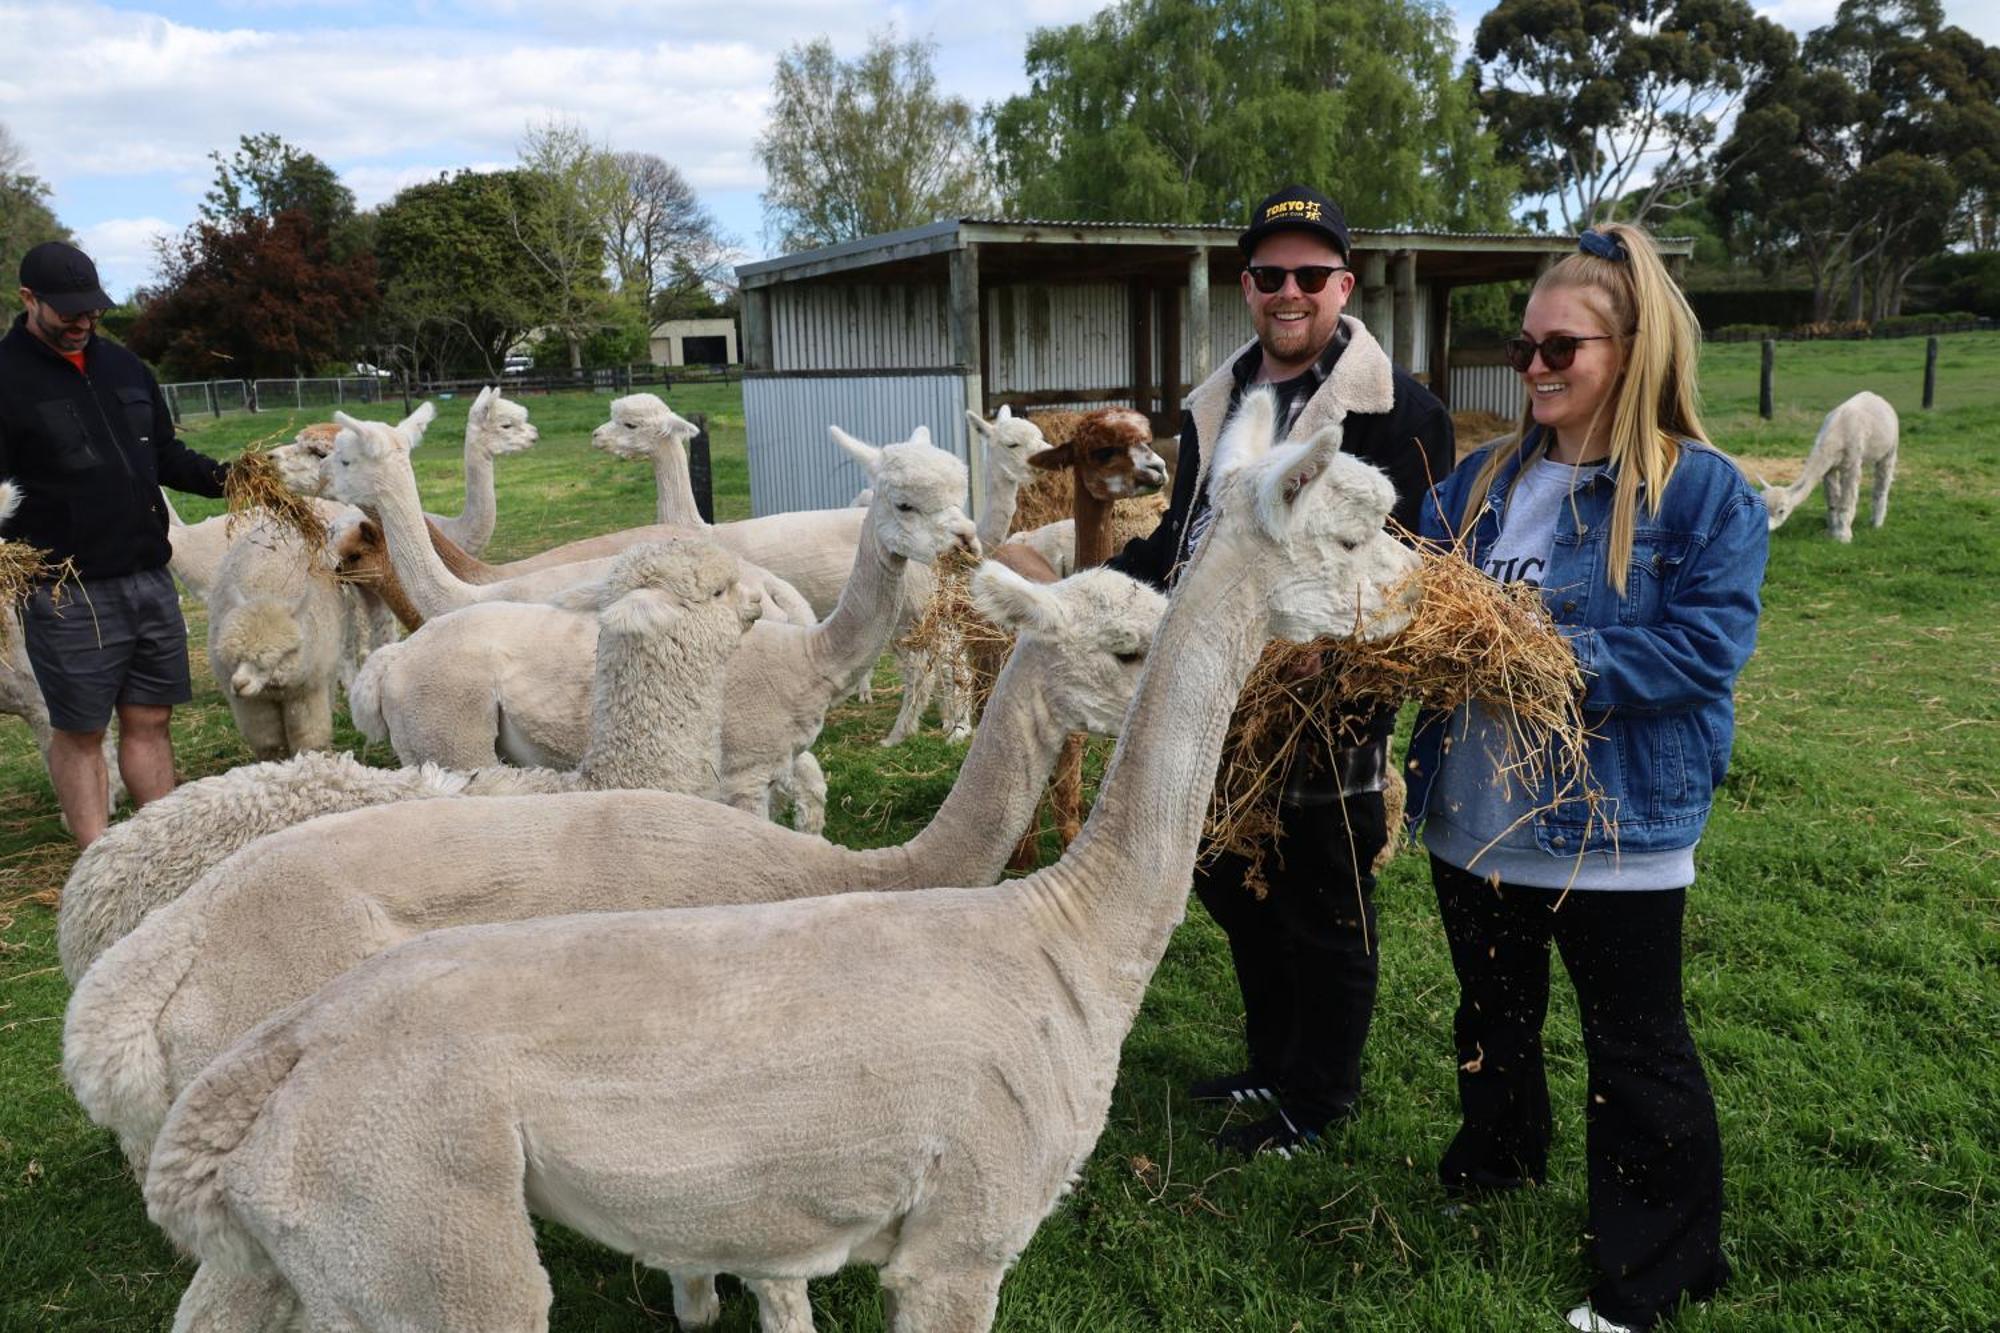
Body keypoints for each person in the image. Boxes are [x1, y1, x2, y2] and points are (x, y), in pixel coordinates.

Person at [1403, 222, 1765, 1331]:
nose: (1535, 370)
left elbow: (1704, 650)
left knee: (1635, 1048)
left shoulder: (1700, 495)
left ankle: (1655, 1266)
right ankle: (1497, 1159)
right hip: (1472, 818)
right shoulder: (1473, 486)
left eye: (1561, 348)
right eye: (1522, 350)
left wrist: (1543, 657)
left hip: (1610, 829)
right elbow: (1412, 611)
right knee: (1492, 1012)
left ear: (1634, 346)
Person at [1110, 184, 1455, 1156]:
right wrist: (1076, 581)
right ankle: (1271, 1056)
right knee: (1226, 874)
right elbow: (1183, 539)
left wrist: (1334, 660)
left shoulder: (1401, 413)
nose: (1289, 292)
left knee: (1324, 890)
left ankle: (1318, 1095)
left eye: (1310, 275)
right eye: (1270, 275)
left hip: (1333, 690)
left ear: (1342, 285)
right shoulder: (1219, 405)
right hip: (1219, 688)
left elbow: (1406, 567)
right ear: (1247, 286)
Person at [0, 241, 230, 845]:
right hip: (66, 590)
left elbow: (165, 454)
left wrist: (229, 478)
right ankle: (99, 863)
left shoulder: (125, 368)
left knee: (151, 718)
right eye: (66, 312)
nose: (82, 323)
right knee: (78, 731)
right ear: (29, 300)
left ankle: (160, 848)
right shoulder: (5, 380)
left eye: (91, 311)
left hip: (149, 577)